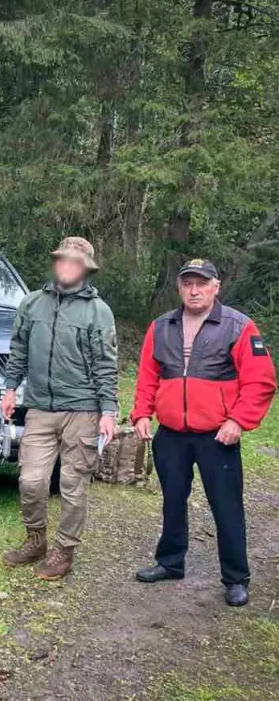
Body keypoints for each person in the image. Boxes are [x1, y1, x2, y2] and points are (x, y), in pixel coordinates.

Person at [130, 259, 275, 607]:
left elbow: (261, 381)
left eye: (202, 283)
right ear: (179, 288)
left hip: (217, 436)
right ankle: (170, 562)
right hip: (172, 434)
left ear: (216, 286)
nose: (194, 290)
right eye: (188, 283)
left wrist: (238, 421)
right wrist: (141, 414)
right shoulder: (161, 326)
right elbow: (148, 375)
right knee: (172, 501)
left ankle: (236, 578)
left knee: (226, 507)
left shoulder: (238, 326)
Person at [0, 236, 118, 579]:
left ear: (86, 269)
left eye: (76, 262)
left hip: (82, 410)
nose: (68, 266)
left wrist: (108, 411)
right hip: (39, 407)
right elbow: (18, 349)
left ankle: (64, 550)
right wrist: (10, 389)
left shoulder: (98, 312)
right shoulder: (31, 304)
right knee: (31, 480)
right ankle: (35, 538)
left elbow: (107, 366)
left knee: (72, 483)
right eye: (64, 260)